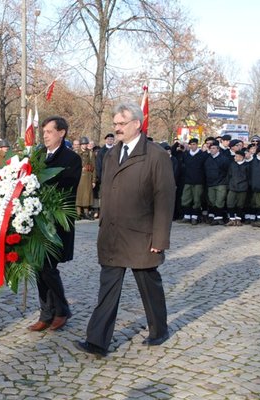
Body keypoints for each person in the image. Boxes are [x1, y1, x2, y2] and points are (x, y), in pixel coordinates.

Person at [74, 102, 175, 357]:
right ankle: (97, 341)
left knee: (148, 285)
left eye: (122, 123)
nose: (117, 128)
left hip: (142, 236)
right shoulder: (109, 154)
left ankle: (159, 329)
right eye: (115, 124)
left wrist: (159, 238)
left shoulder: (156, 155)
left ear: (137, 124)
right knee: (108, 287)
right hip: (112, 234)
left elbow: (164, 198)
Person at [28, 116, 81, 332]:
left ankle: (61, 311)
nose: (45, 135)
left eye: (49, 131)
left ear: (62, 133)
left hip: (56, 222)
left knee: (48, 267)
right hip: (35, 220)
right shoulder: (39, 155)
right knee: (37, 267)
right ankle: (47, 313)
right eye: (44, 132)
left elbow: (66, 188)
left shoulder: (71, 158)